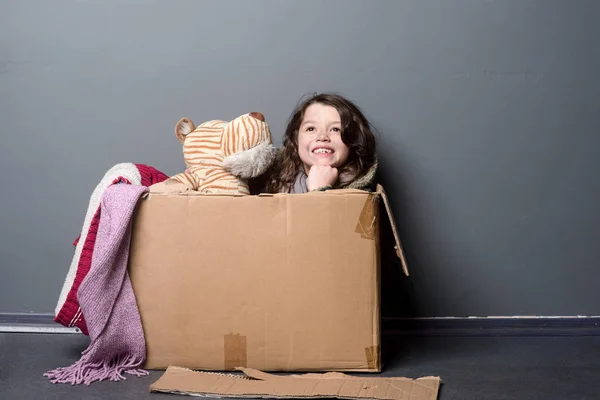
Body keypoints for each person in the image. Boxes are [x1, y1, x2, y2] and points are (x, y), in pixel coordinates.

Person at [253, 93, 378, 194]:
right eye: (311, 129)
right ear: (296, 140)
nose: (322, 137)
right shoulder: (273, 183)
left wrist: (320, 190)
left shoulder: (360, 195)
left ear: (353, 140)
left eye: (335, 129)